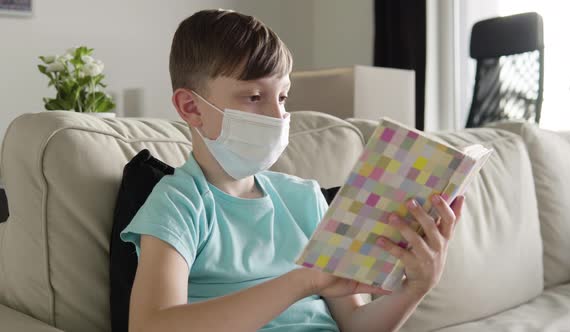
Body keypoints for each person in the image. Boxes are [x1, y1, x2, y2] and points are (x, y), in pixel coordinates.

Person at [121, 9, 465, 332]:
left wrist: (417, 287)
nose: (277, 116)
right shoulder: (179, 202)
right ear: (191, 107)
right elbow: (151, 325)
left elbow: (357, 323)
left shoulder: (304, 198)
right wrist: (302, 282)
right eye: (254, 96)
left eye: (283, 97)